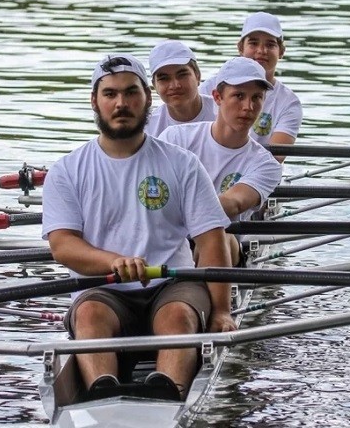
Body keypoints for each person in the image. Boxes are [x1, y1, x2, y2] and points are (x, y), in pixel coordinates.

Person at [42, 53, 235, 403]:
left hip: (172, 283)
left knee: (177, 315)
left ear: (147, 97)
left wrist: (221, 310)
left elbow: (211, 241)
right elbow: (63, 246)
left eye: (132, 93)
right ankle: (103, 396)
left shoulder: (182, 164)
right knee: (88, 314)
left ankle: (167, 397)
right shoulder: (68, 170)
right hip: (105, 287)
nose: (122, 103)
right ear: (94, 101)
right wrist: (113, 261)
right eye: (111, 94)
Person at [160, 56, 283, 266]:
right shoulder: (175, 139)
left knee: (216, 237)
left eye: (257, 98)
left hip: (223, 243)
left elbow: (232, 204)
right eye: (239, 96)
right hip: (169, 237)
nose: (248, 107)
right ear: (217, 97)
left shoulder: (266, 165)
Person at [199, 12, 302, 160]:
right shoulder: (209, 87)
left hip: (258, 175)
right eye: (253, 43)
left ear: (281, 51)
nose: (261, 51)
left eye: (270, 44)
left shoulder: (290, 102)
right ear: (241, 48)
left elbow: (275, 159)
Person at [145, 40, 216, 137]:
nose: (174, 85)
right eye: (164, 78)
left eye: (182, 75)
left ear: (198, 76)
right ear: (155, 85)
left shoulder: (224, 114)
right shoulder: (148, 129)